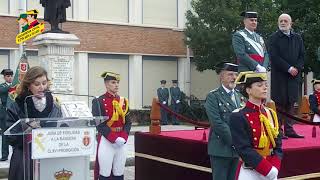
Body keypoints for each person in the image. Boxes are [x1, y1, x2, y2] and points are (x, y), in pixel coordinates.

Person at [6, 66, 62, 180]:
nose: (42, 87)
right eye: (37, 84)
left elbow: (60, 127)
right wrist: (28, 131)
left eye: (44, 83)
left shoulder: (55, 105)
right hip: (24, 157)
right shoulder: (17, 105)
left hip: (48, 155)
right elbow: (10, 135)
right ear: (28, 85)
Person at [230, 71, 282, 180]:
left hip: (271, 168)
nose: (264, 88)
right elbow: (243, 148)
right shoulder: (238, 115)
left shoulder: (271, 113)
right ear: (248, 90)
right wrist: (266, 169)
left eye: (265, 85)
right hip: (251, 170)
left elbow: (278, 144)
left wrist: (274, 168)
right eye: (259, 85)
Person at [269, 13, 305, 138]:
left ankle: (289, 129)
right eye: (280, 21)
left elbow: (301, 55)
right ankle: (279, 131)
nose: (283, 23)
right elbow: (274, 56)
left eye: (285, 21)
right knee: (280, 103)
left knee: (290, 103)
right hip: (280, 76)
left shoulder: (297, 38)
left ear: (291, 23)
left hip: (293, 77)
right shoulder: (274, 38)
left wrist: (297, 68)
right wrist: (289, 68)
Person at [204, 63, 241, 180]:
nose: (234, 77)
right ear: (221, 77)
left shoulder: (241, 97)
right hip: (221, 148)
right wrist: (236, 142)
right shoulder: (213, 96)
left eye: (236, 74)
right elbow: (217, 123)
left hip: (237, 151)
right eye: (230, 74)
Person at [92, 71, 131, 180]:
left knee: (119, 172)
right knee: (105, 172)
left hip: (121, 140)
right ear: (106, 84)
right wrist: (114, 138)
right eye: (113, 82)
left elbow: (128, 122)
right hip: (107, 139)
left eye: (117, 82)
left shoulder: (123, 101)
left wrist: (123, 137)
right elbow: (99, 125)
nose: (116, 85)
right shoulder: (98, 101)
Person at [0, 69, 13, 161]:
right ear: (4, 77)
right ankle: (4, 155)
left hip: (13, 112)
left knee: (15, 134)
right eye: (8, 76)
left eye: (11, 76)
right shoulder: (2, 86)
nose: (10, 78)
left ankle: (16, 154)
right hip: (5, 112)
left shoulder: (16, 86)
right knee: (5, 134)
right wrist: (13, 86)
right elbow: (3, 90)